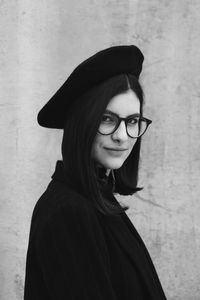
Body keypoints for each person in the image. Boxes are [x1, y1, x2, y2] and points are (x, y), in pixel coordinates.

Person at [24, 45, 167, 299]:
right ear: (83, 121)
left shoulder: (98, 198)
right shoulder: (68, 212)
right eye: (107, 119)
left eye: (132, 121)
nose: (122, 136)